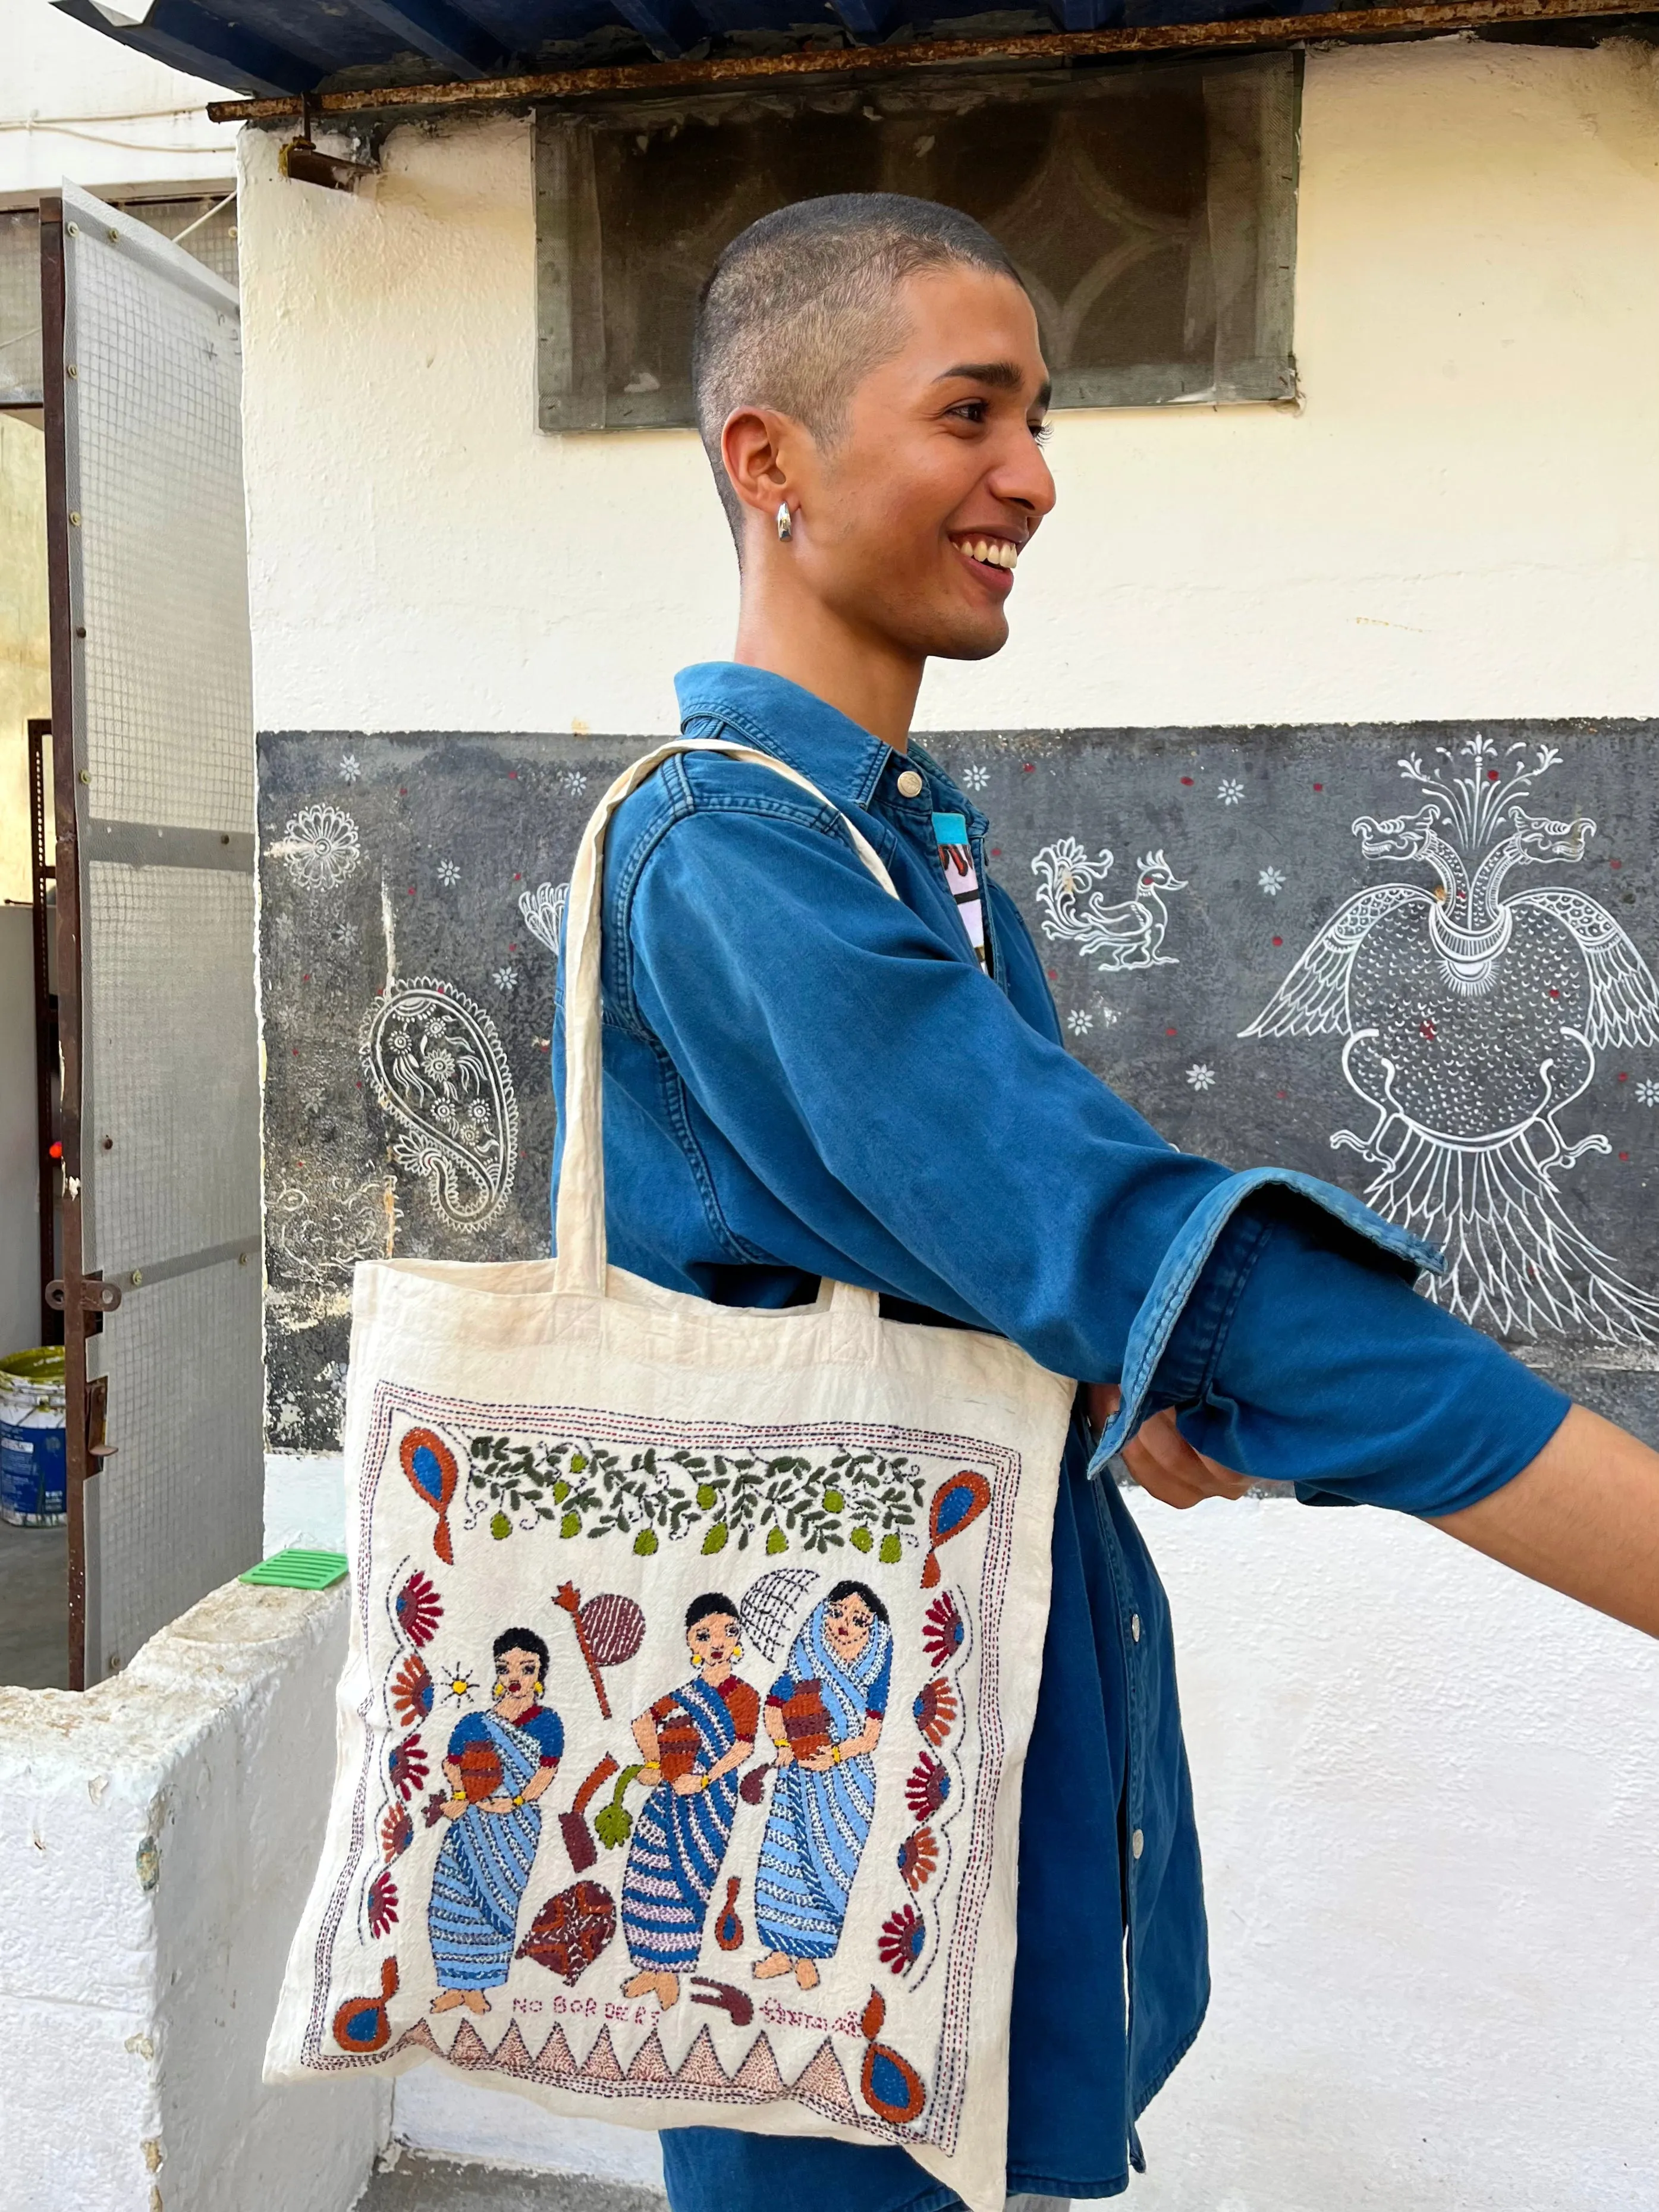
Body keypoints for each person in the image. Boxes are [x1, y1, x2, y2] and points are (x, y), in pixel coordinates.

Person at [549, 194, 1659, 2210]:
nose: (1036, 478)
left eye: (1041, 418)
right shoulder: (730, 863)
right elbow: (1134, 1247)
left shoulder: (901, 842)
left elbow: (980, 1257)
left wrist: (1112, 1389)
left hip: (949, 1754)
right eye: (974, 412)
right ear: (769, 457)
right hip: (820, 1805)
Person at [621, 1592, 760, 2010]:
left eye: (727, 1632)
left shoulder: (744, 1695)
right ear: (691, 1643)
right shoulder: (683, 1694)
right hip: (667, 1800)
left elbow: (743, 1748)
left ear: (738, 1640)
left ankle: (670, 1973)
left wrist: (704, 1779)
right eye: (705, 1635)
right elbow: (642, 1721)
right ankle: (649, 1965)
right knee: (643, 1879)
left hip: (711, 1804)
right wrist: (656, 1764)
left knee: (688, 1887)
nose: (717, 1643)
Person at [753, 1579, 893, 1989]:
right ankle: (781, 1951)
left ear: (873, 1630)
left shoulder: (874, 1667)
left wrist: (833, 1756)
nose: (843, 1625)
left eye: (858, 1620)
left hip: (847, 1786)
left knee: (831, 1871)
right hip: (797, 1778)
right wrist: (782, 1744)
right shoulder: (807, 1659)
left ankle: (809, 1957)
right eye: (835, 1613)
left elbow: (871, 1736)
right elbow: (774, 1706)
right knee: (784, 1862)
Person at [429, 1627, 563, 2014]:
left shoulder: (547, 1723)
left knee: (499, 1906)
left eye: (527, 1668)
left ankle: (478, 1987)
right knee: (452, 1900)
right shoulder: (475, 1724)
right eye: (506, 1669)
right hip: (470, 1825)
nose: (516, 1677)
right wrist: (464, 1796)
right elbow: (451, 1764)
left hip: (515, 1826)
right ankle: (455, 1984)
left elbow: (546, 1773)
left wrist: (515, 1801)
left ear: (540, 1674)